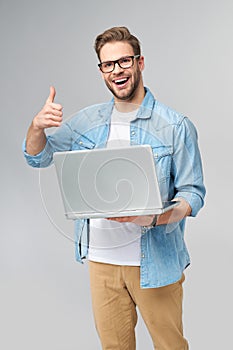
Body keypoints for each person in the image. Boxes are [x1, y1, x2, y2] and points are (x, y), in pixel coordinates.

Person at [23, 26, 206, 350]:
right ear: (101, 70)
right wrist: (36, 126)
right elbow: (39, 158)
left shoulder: (175, 125)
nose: (117, 70)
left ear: (140, 62)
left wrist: (152, 218)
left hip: (155, 264)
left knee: (170, 346)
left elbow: (193, 194)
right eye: (108, 64)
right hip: (101, 261)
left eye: (124, 61)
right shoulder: (87, 122)